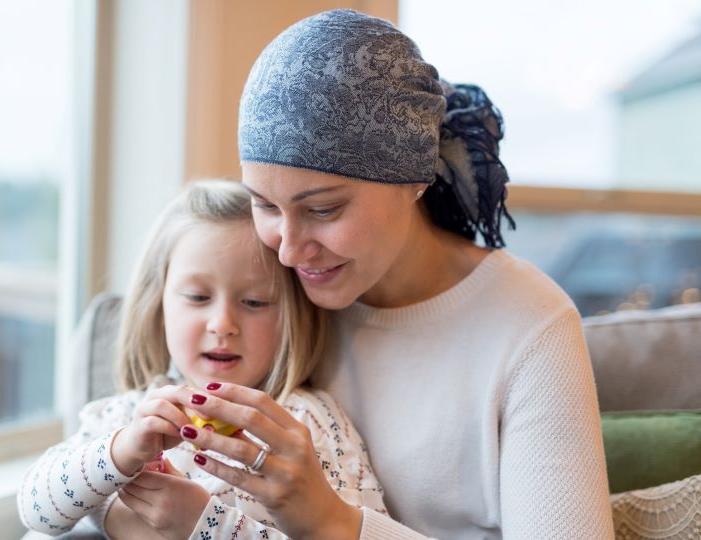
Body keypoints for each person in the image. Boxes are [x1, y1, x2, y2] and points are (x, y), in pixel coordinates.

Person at [174, 9, 614, 539]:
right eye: (265, 205)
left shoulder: (529, 326)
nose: (288, 251)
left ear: (414, 180)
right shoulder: (264, 296)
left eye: (323, 209)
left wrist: (332, 522)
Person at [18, 180, 389, 539]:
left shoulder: (306, 424)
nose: (223, 325)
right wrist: (121, 453)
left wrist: (206, 526)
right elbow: (36, 510)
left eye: (254, 302)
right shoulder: (125, 415)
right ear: (159, 306)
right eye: (197, 297)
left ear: (292, 316)